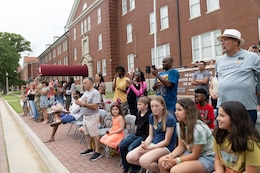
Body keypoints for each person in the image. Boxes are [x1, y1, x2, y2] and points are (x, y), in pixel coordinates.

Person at [216, 29, 260, 125]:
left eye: (225, 40)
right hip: (223, 109)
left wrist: (258, 90)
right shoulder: (219, 61)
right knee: (223, 138)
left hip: (245, 108)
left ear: (236, 41)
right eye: (221, 41)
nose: (222, 43)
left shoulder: (252, 57)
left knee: (246, 139)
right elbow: (219, 79)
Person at [158, 98, 215, 173]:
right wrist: (170, 157)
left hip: (207, 157)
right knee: (162, 161)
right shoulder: (180, 125)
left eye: (179, 110)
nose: (176, 112)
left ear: (188, 111)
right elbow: (181, 147)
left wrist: (175, 161)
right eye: (176, 110)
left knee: (175, 170)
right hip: (189, 153)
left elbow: (195, 155)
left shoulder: (199, 129)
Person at [126, 96, 177, 173]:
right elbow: (150, 136)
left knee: (143, 161)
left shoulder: (170, 119)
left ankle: (164, 170)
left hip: (165, 147)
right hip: (153, 143)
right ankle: (157, 169)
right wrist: (144, 145)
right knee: (130, 157)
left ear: (163, 106)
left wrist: (149, 148)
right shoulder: (151, 117)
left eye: (156, 106)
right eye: (152, 106)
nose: (154, 109)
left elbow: (166, 141)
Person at [213, 101, 260, 173]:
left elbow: (250, 171)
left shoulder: (250, 142)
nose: (217, 118)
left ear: (234, 118)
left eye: (222, 116)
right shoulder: (219, 135)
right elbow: (217, 159)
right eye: (218, 115)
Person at [119, 96, 151, 173]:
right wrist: (132, 135)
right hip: (136, 134)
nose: (138, 106)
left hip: (144, 136)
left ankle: (135, 168)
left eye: (140, 104)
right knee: (122, 145)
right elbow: (136, 126)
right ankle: (126, 166)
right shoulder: (139, 113)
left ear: (146, 105)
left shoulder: (149, 116)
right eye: (137, 104)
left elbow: (150, 132)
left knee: (131, 147)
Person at [76, 77, 102, 161]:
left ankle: (97, 151)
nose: (83, 85)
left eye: (85, 83)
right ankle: (90, 148)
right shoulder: (86, 93)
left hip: (92, 116)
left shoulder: (95, 93)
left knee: (94, 134)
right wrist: (79, 103)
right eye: (83, 83)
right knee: (87, 133)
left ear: (91, 83)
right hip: (86, 116)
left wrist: (83, 104)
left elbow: (95, 106)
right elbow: (82, 101)